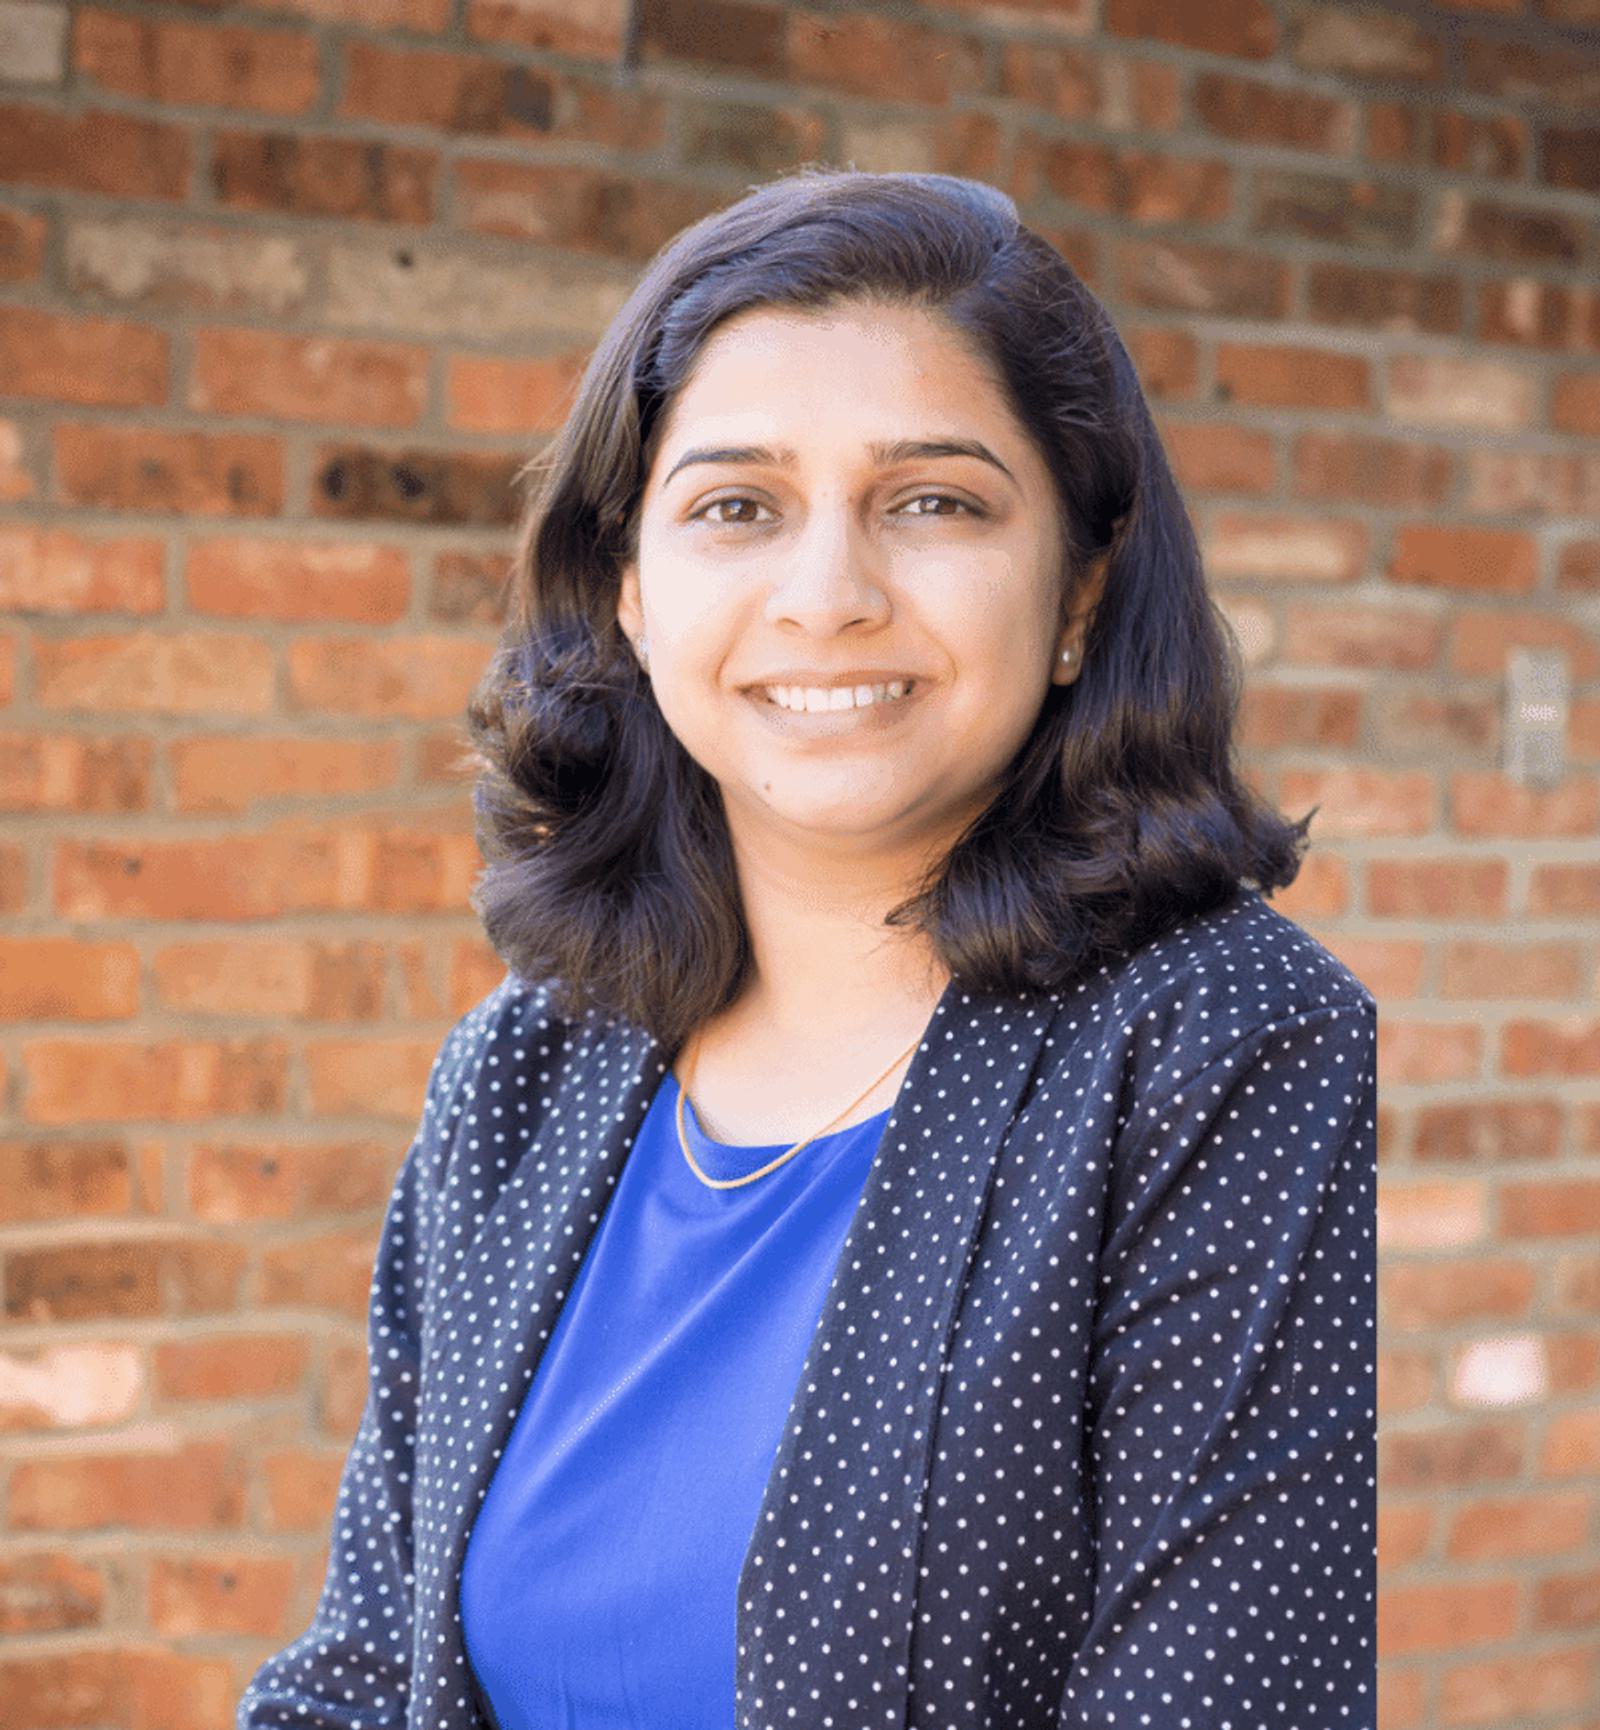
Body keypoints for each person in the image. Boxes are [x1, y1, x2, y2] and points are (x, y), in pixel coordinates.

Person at [237, 168, 1377, 1730]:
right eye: (735, 507)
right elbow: (370, 1671)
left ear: (1079, 594)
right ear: (633, 590)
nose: (827, 594)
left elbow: (1224, 1702)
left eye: (932, 501)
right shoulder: (524, 1071)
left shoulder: (1217, 1045)